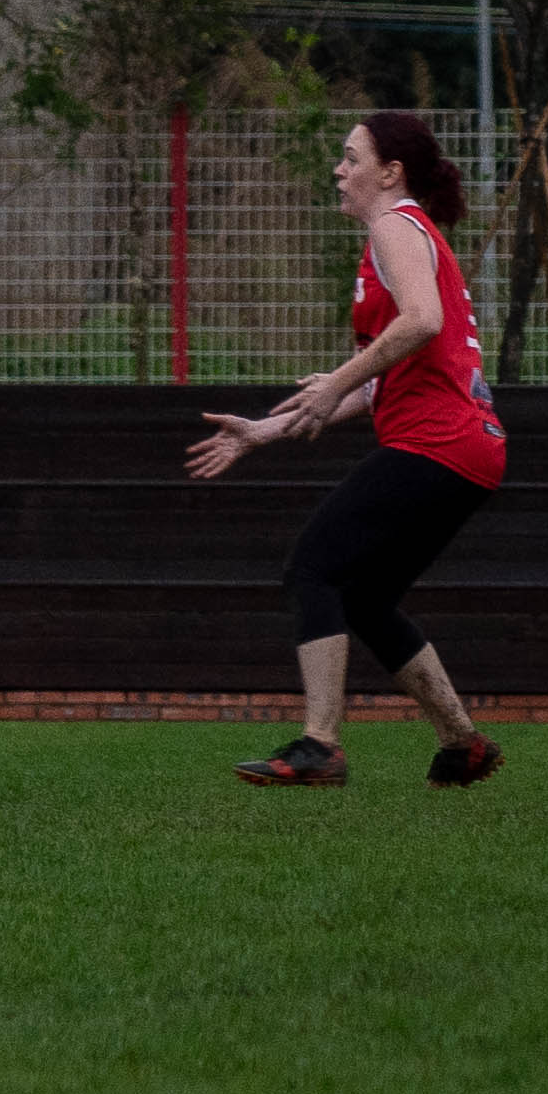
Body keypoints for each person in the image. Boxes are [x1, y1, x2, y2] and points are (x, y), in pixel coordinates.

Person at [185, 110, 508, 792]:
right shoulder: (401, 236)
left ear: (390, 173)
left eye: (351, 157)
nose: (339, 169)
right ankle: (462, 743)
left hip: (438, 440)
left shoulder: (394, 226)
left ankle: (319, 745)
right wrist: (265, 430)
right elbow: (380, 380)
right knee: (364, 597)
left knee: (313, 570)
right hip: (470, 448)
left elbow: (422, 321)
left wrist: (334, 379)